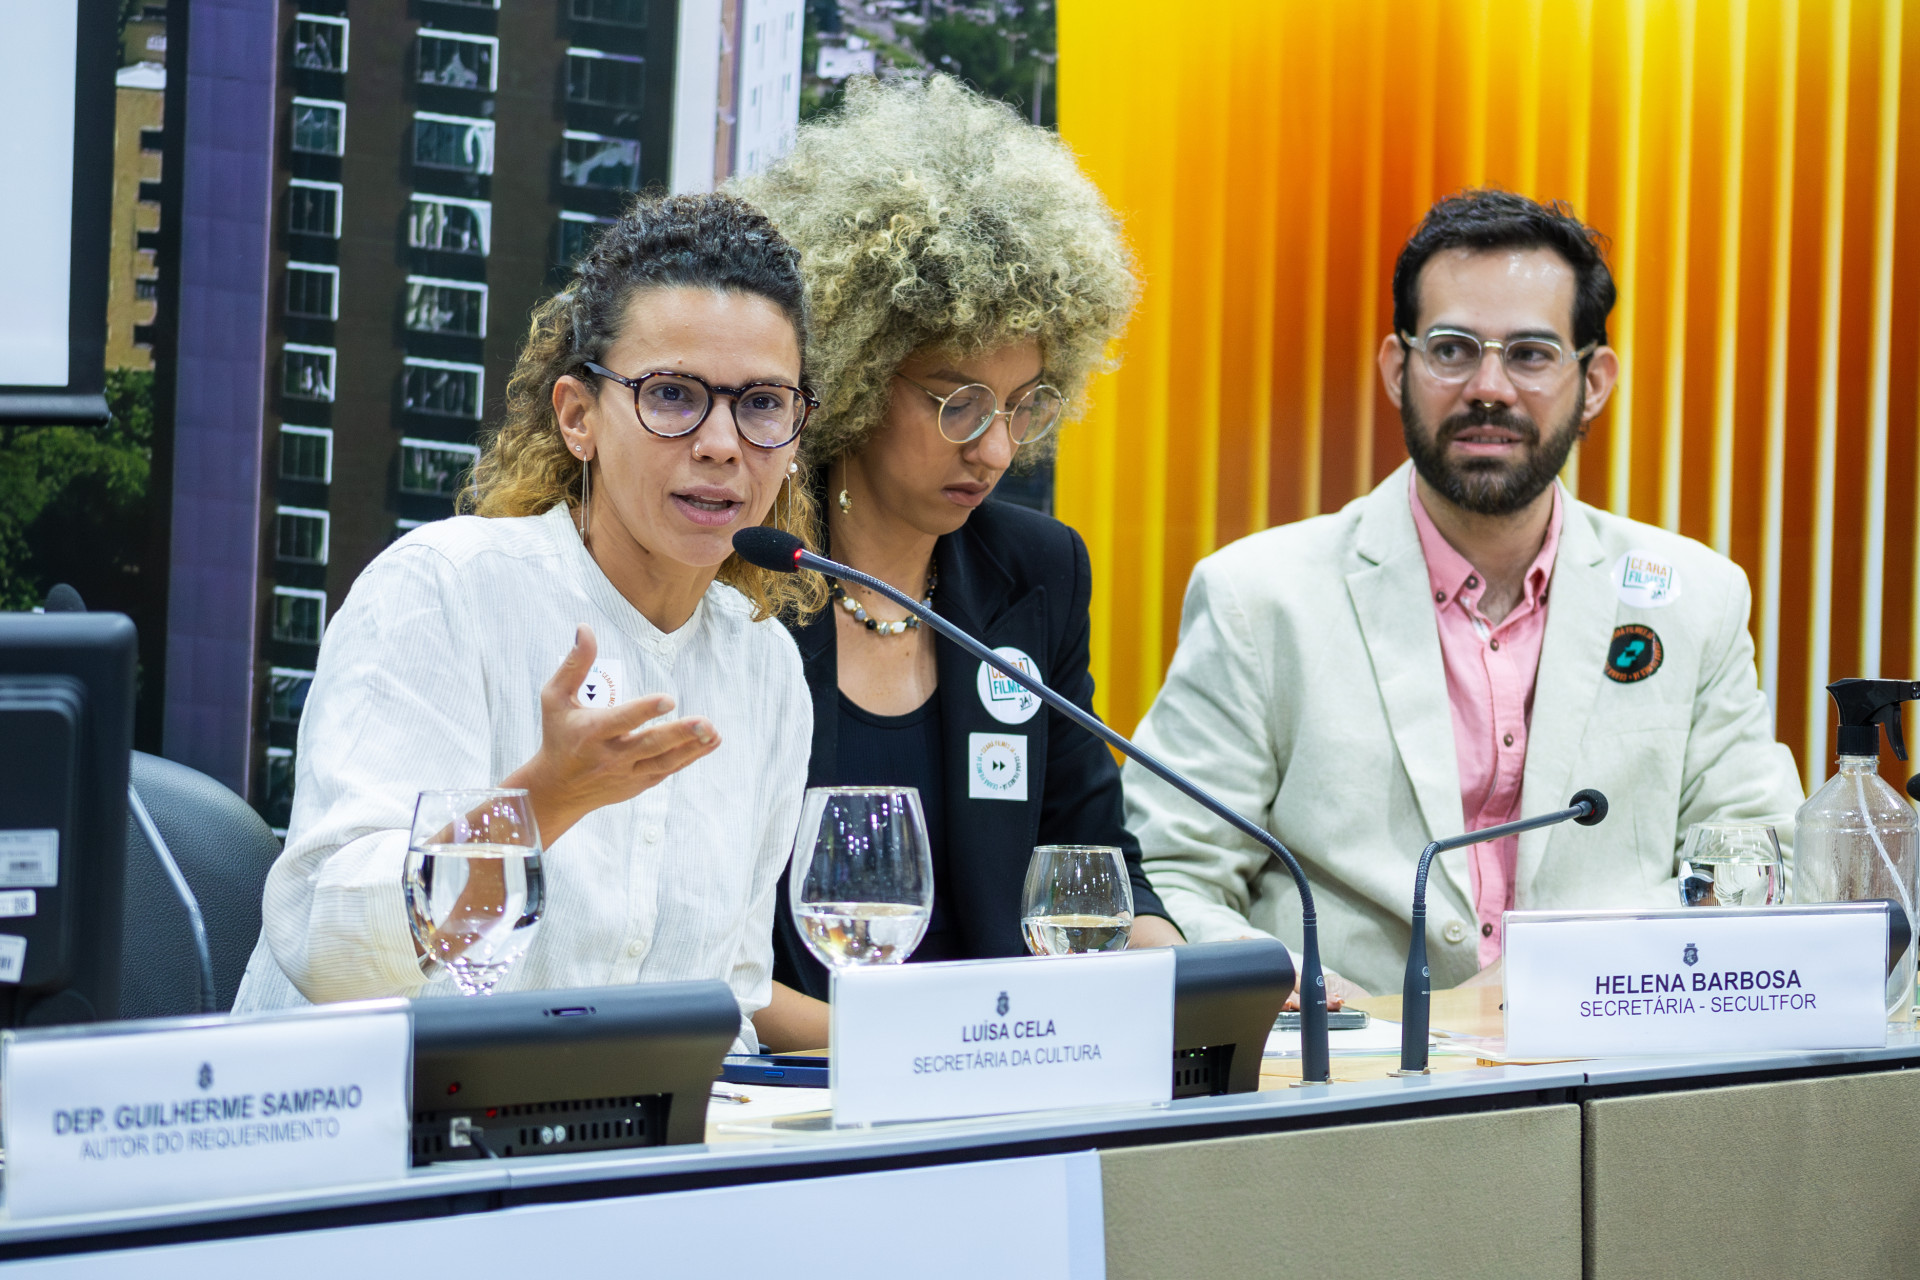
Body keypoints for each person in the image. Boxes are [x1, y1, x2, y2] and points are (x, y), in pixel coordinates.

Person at [1125, 189, 1805, 998]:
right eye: (1452, 349)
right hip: (1354, 1080)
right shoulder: (1258, 598)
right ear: (1396, 368)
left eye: (1530, 353)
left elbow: (1753, 855)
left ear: (1593, 382)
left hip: (1614, 1073)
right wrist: (1289, 986)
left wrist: (1562, 982)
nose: (1489, 387)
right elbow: (1170, 869)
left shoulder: (1695, 596)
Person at [233, 193, 824, 1051]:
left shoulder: (765, 668)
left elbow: (726, 1000)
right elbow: (329, 955)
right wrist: (540, 804)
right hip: (371, 1144)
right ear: (578, 417)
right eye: (672, 394)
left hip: (620, 1161)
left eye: (762, 404)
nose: (722, 443)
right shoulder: (443, 590)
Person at [732, 75, 1183, 1051]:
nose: (995, 448)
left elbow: (1089, 855)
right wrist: (915, 1050)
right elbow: (704, 960)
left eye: (1026, 404)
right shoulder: (742, 577)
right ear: (850, 369)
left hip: (1001, 1086)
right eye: (958, 401)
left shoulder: (1036, 571)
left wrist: (1184, 972)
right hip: (789, 1092)